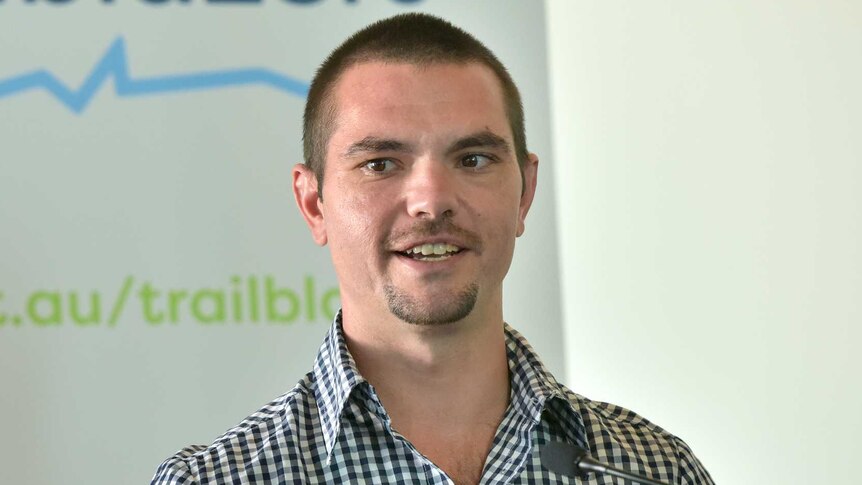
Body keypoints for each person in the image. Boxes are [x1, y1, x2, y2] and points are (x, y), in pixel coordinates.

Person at [152, 13, 714, 485]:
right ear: (314, 204)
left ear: (525, 193)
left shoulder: (656, 471)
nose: (431, 201)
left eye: (473, 159)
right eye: (380, 164)